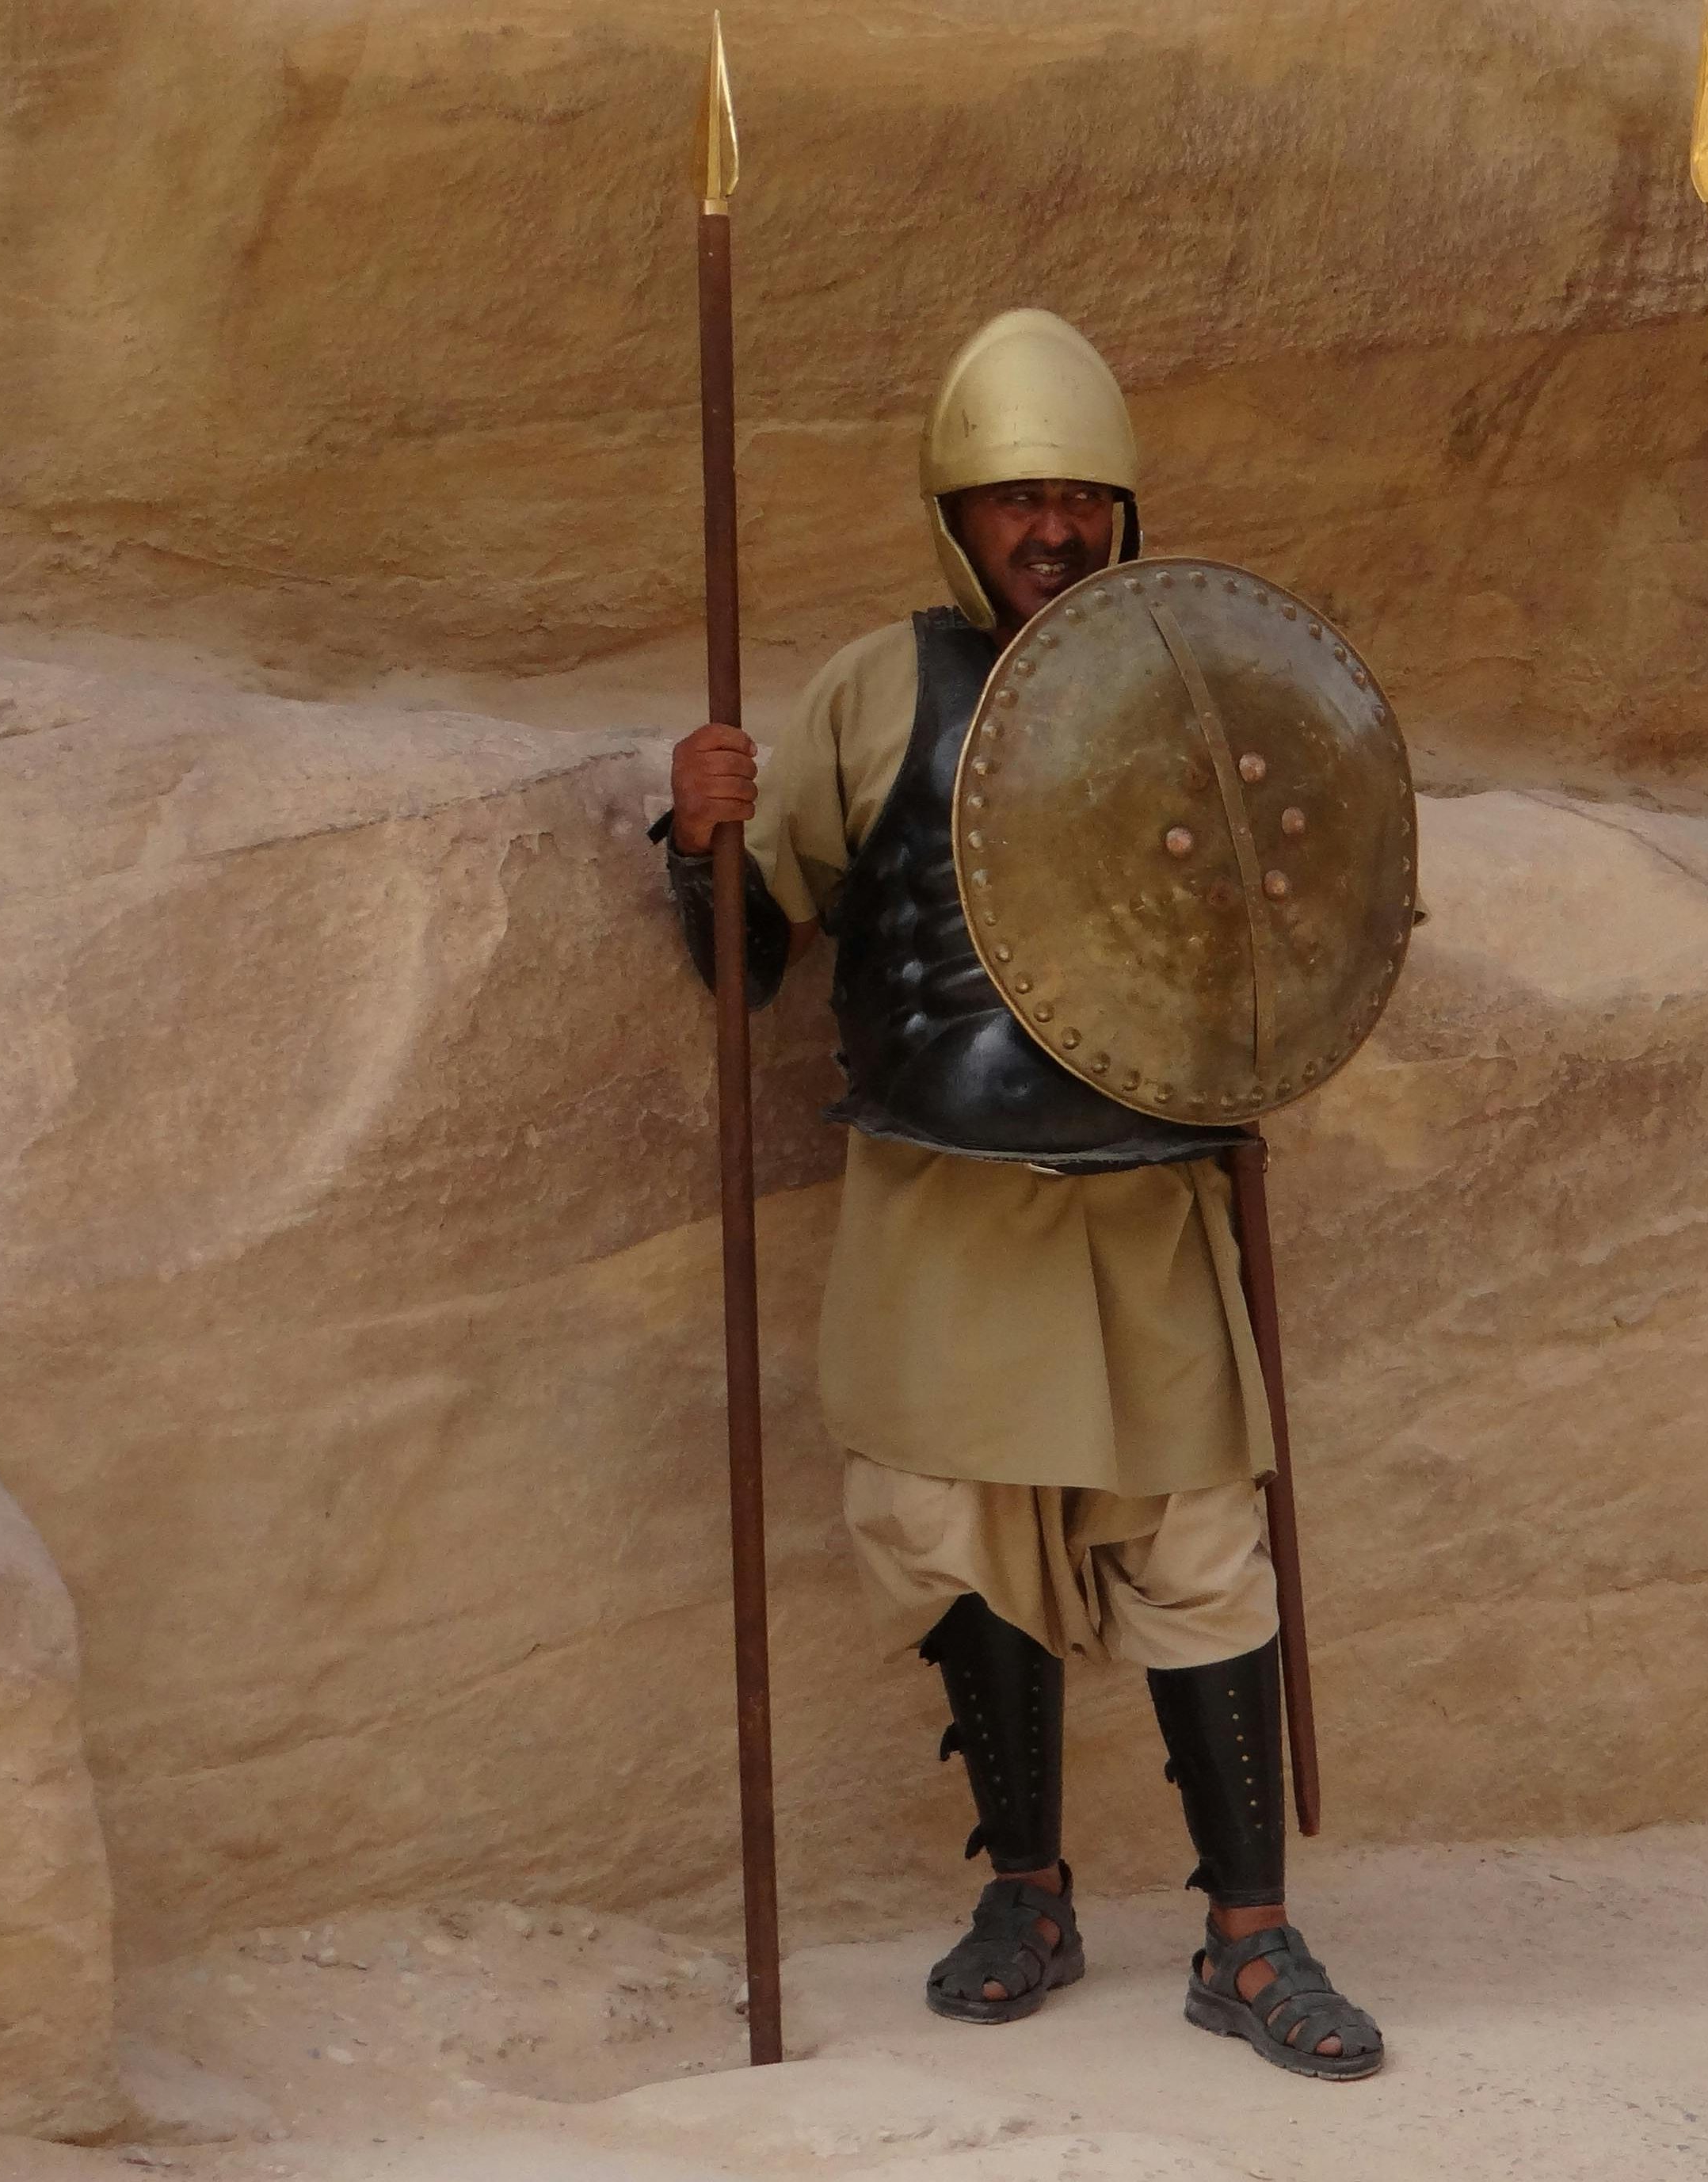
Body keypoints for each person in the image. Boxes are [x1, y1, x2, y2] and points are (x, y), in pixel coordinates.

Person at [658, 308, 1378, 2080]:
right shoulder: (873, 692)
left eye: (1078, 497)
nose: (1051, 527)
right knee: (951, 1533)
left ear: (1122, 510)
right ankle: (1028, 1895)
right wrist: (700, 836)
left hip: (1145, 1190)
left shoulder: (1194, 675)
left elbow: (1302, 912)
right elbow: (753, 956)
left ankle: (1250, 1938)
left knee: (1199, 1549)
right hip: (941, 1200)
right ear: (953, 516)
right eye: (1014, 499)